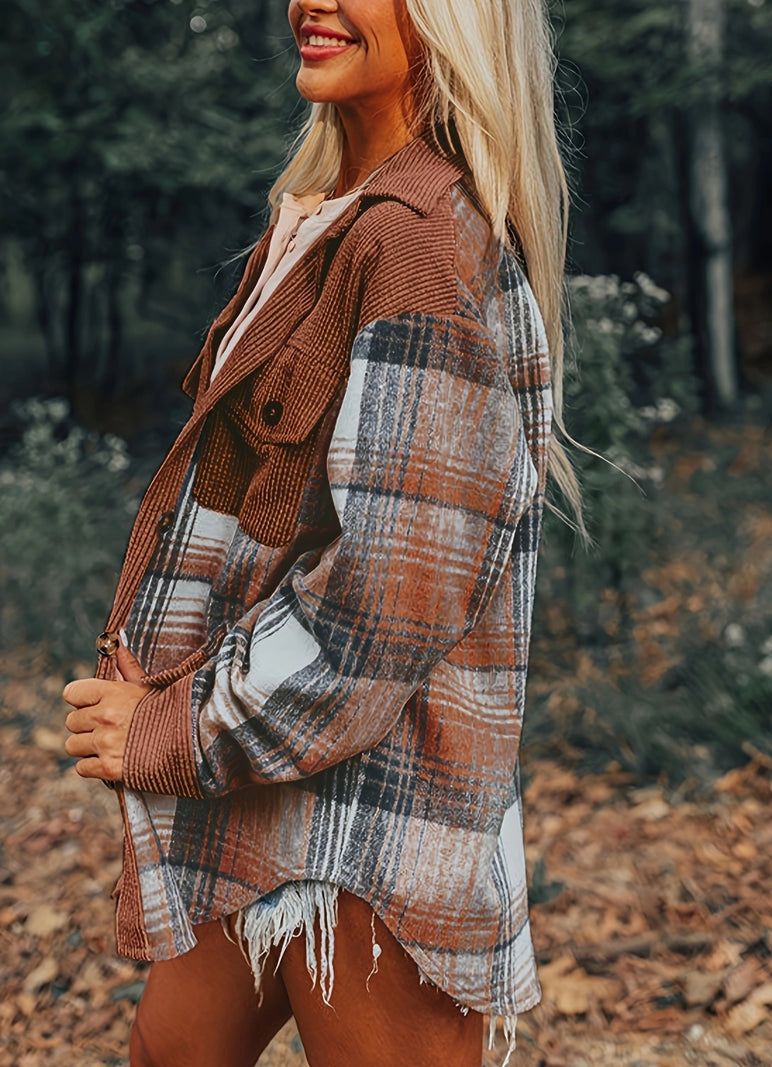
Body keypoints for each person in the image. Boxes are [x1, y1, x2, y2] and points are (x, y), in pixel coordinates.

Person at [63, 1, 579, 1064]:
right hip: (260, 778)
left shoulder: (420, 248)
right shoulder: (324, 219)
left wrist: (168, 729)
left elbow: (382, 608)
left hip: (371, 801)